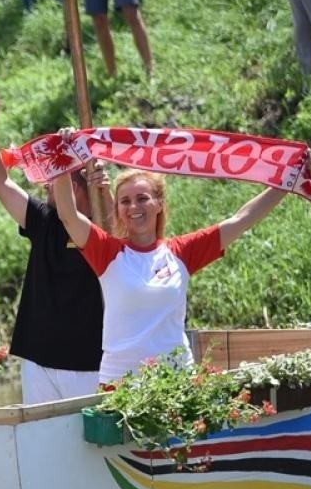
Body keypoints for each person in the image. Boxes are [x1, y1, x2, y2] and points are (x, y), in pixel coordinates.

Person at [54, 163, 288, 386]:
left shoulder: (181, 252)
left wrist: (286, 182)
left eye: (142, 198)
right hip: (119, 384)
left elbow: (241, 219)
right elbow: (68, 215)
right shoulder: (107, 251)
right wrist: (62, 162)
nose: (134, 207)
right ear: (118, 210)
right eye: (125, 201)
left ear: (159, 204)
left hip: (176, 383)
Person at [0, 88, 106, 404]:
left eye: (57, 177)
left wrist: (90, 172)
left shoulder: (104, 227)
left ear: (78, 186)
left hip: (89, 362)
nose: (47, 185)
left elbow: (115, 222)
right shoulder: (43, 220)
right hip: (38, 357)